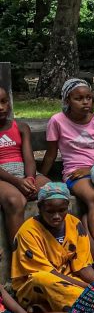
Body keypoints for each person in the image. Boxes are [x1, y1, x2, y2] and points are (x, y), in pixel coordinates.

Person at [40, 78, 94, 251]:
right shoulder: (57, 121)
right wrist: (41, 177)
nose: (85, 102)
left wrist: (91, 169)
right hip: (75, 172)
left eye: (88, 97)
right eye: (79, 98)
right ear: (67, 100)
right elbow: (51, 153)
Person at [11, 182, 94, 312]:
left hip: (70, 279)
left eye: (62, 210)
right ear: (39, 208)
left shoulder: (74, 224)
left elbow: (83, 266)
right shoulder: (28, 232)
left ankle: (49, 309)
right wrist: (86, 288)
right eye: (50, 212)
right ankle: (88, 304)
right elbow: (47, 273)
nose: (56, 216)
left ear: (68, 207)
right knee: (42, 279)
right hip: (37, 285)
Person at [0, 86, 47, 241]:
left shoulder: (21, 127)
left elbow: (29, 158)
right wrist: (17, 183)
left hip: (24, 172)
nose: (1, 107)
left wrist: (30, 179)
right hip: (3, 176)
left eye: (4, 102)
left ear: (9, 103)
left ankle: (50, 246)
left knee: (53, 191)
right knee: (15, 200)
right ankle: (20, 251)